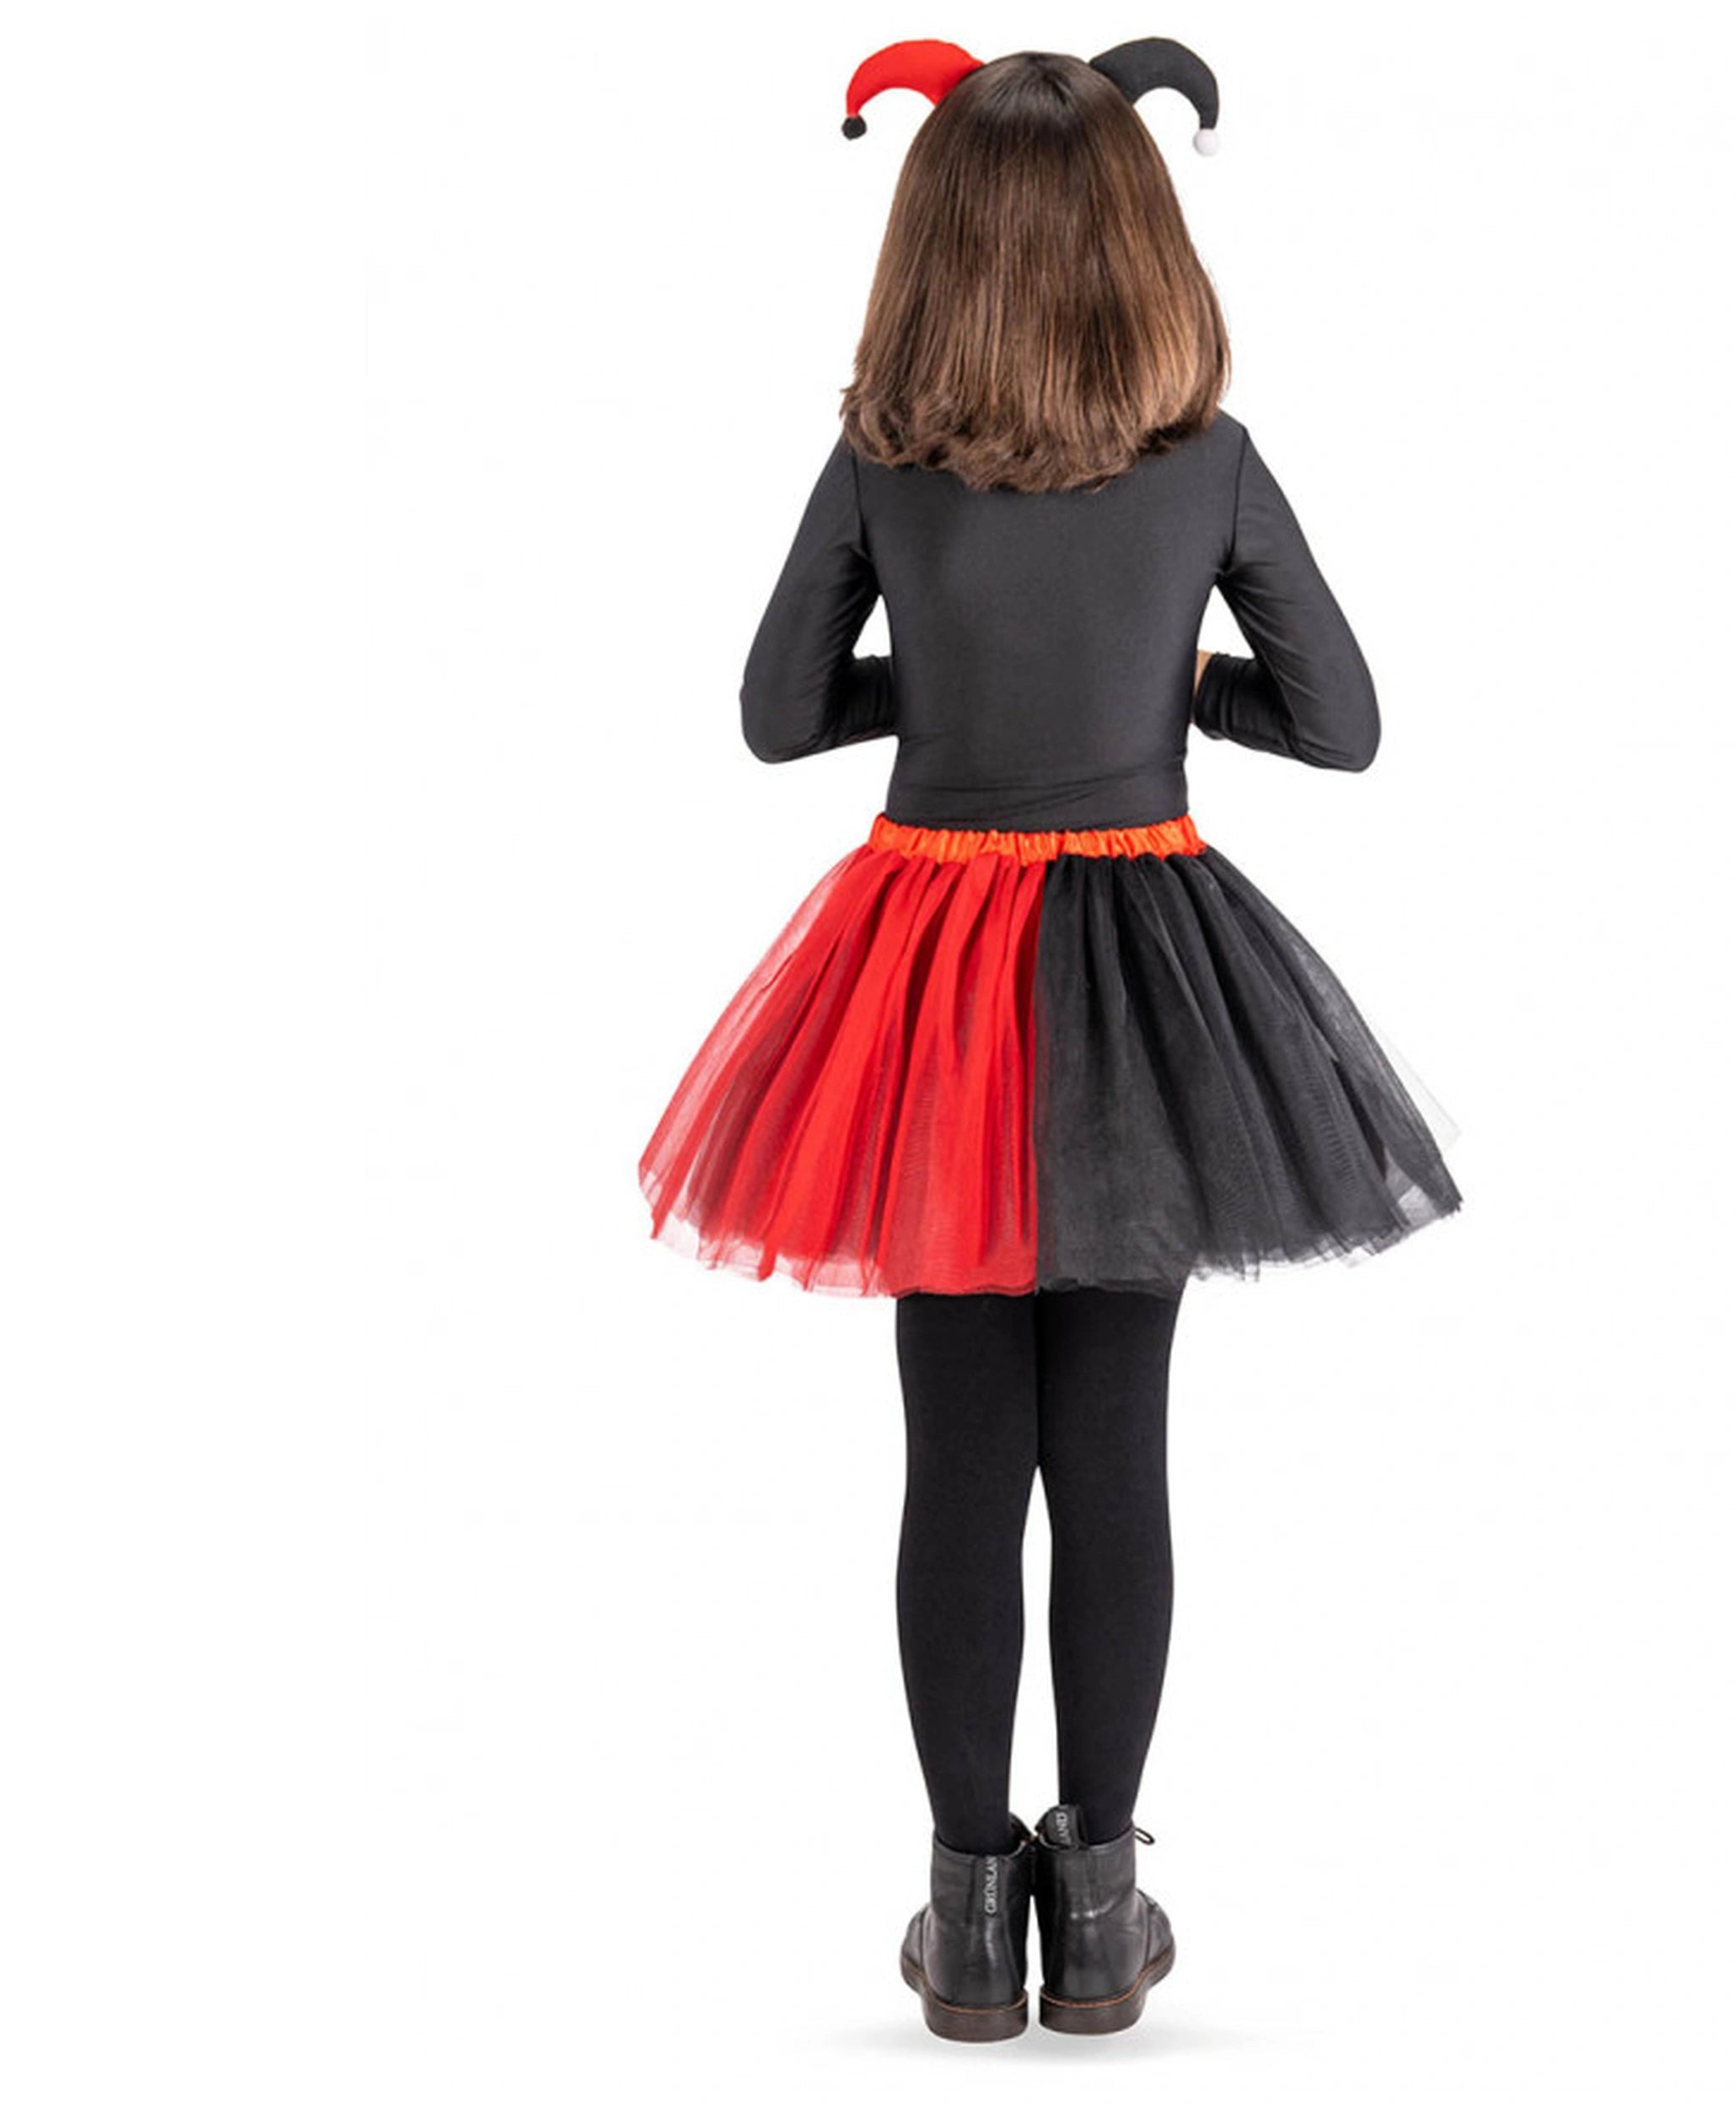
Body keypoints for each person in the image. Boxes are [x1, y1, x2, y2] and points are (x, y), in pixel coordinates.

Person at [636, 38, 1465, 2041]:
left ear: (931, 242)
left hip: (921, 972)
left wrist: (941, 689)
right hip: (1143, 967)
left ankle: (962, 1917)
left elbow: (773, 714)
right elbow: (1341, 723)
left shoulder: (877, 460)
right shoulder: (1207, 462)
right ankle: (1096, 1908)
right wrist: (1166, 687)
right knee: (1113, 1446)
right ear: (1137, 238)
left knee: (956, 1455)